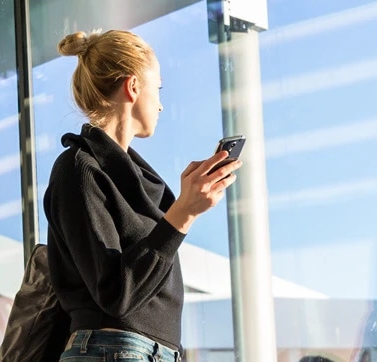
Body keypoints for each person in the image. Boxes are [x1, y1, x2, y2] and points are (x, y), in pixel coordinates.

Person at [44, 29, 242, 362]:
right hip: (113, 351)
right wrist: (184, 213)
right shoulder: (78, 169)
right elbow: (116, 295)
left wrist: (182, 206)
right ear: (133, 86)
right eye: (158, 88)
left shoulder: (140, 178)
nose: (162, 104)